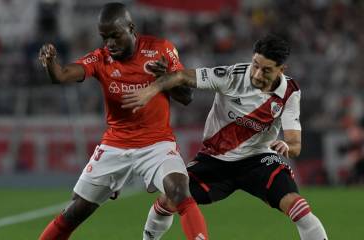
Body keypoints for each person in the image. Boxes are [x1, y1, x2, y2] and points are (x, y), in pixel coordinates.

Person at [122, 34, 328, 240]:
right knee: (168, 199)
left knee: (297, 206)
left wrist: (285, 144)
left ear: (281, 70)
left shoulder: (290, 92)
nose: (256, 74)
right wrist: (152, 89)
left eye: (266, 70)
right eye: (255, 65)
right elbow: (183, 76)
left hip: (258, 160)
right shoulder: (232, 75)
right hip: (214, 160)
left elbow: (294, 145)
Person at [37, 2, 209, 240]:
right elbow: (62, 75)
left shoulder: (162, 49)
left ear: (131, 28)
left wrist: (165, 78)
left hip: (156, 144)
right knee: (76, 211)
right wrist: (50, 65)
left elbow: (187, 97)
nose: (110, 44)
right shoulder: (101, 58)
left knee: (179, 190)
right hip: (115, 145)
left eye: (115, 36)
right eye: (105, 38)